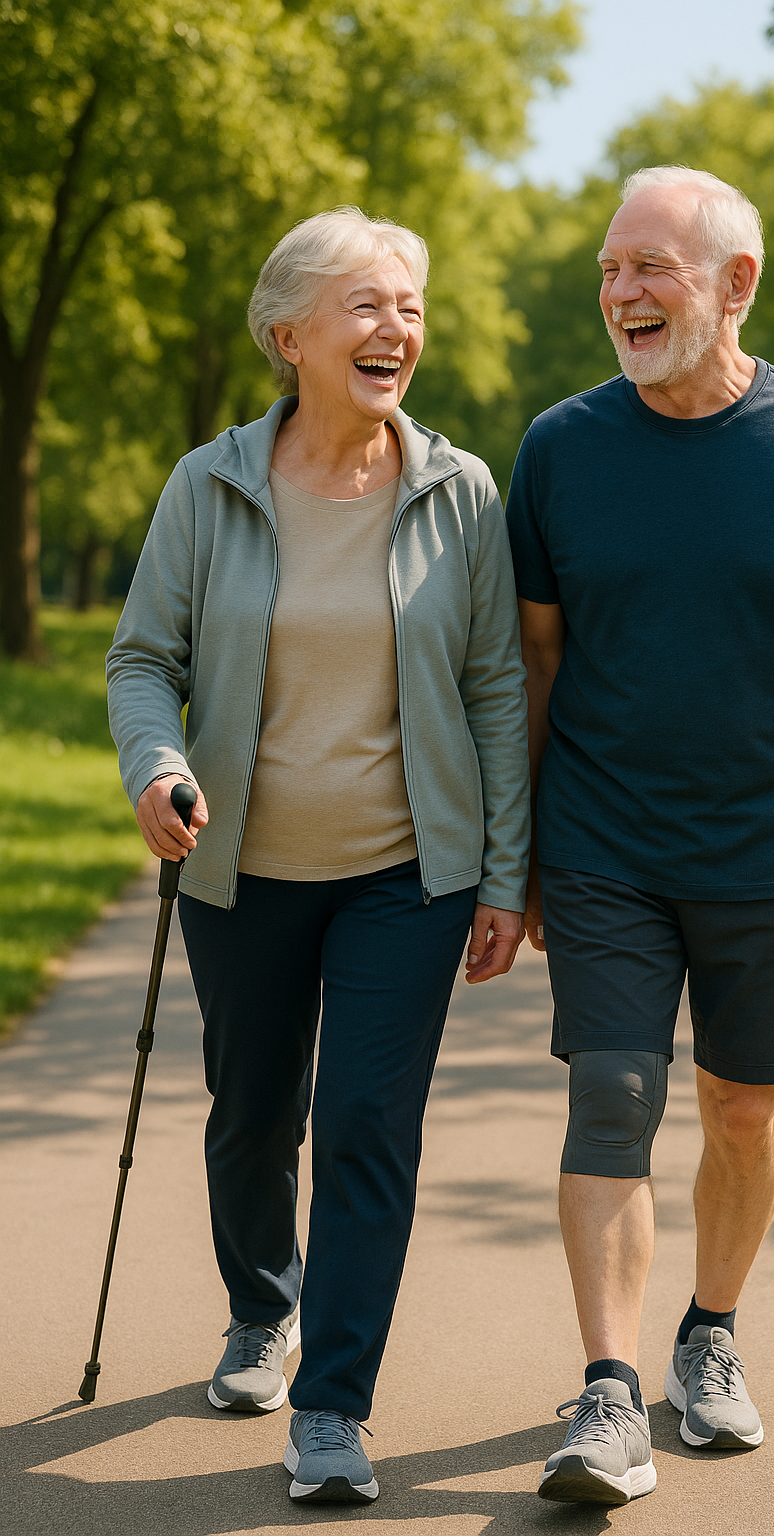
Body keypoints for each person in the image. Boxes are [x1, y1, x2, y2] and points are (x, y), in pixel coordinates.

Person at [506, 166, 774, 1507]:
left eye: (652, 268)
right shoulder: (560, 448)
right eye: (610, 269)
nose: (622, 293)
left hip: (772, 848)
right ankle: (608, 1392)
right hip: (604, 842)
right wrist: (507, 854)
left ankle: (710, 1336)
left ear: (735, 285)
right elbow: (532, 663)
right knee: (615, 1092)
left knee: (744, 1114)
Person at [107, 207, 529, 1505]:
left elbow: (498, 687)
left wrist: (505, 873)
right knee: (254, 1117)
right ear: (289, 332)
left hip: (407, 873)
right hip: (241, 868)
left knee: (363, 1122)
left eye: (408, 303)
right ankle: (259, 1308)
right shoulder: (208, 484)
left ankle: (335, 1407)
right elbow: (143, 660)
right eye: (365, 303)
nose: (395, 325)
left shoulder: (458, 492)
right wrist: (157, 767)